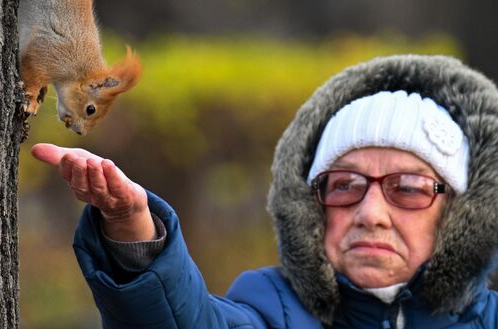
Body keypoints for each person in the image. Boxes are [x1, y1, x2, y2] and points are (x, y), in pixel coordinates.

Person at [32, 55, 498, 328]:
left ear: (458, 215)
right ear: (312, 209)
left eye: (408, 188)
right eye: (345, 186)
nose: (371, 213)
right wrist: (131, 226)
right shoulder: (272, 307)